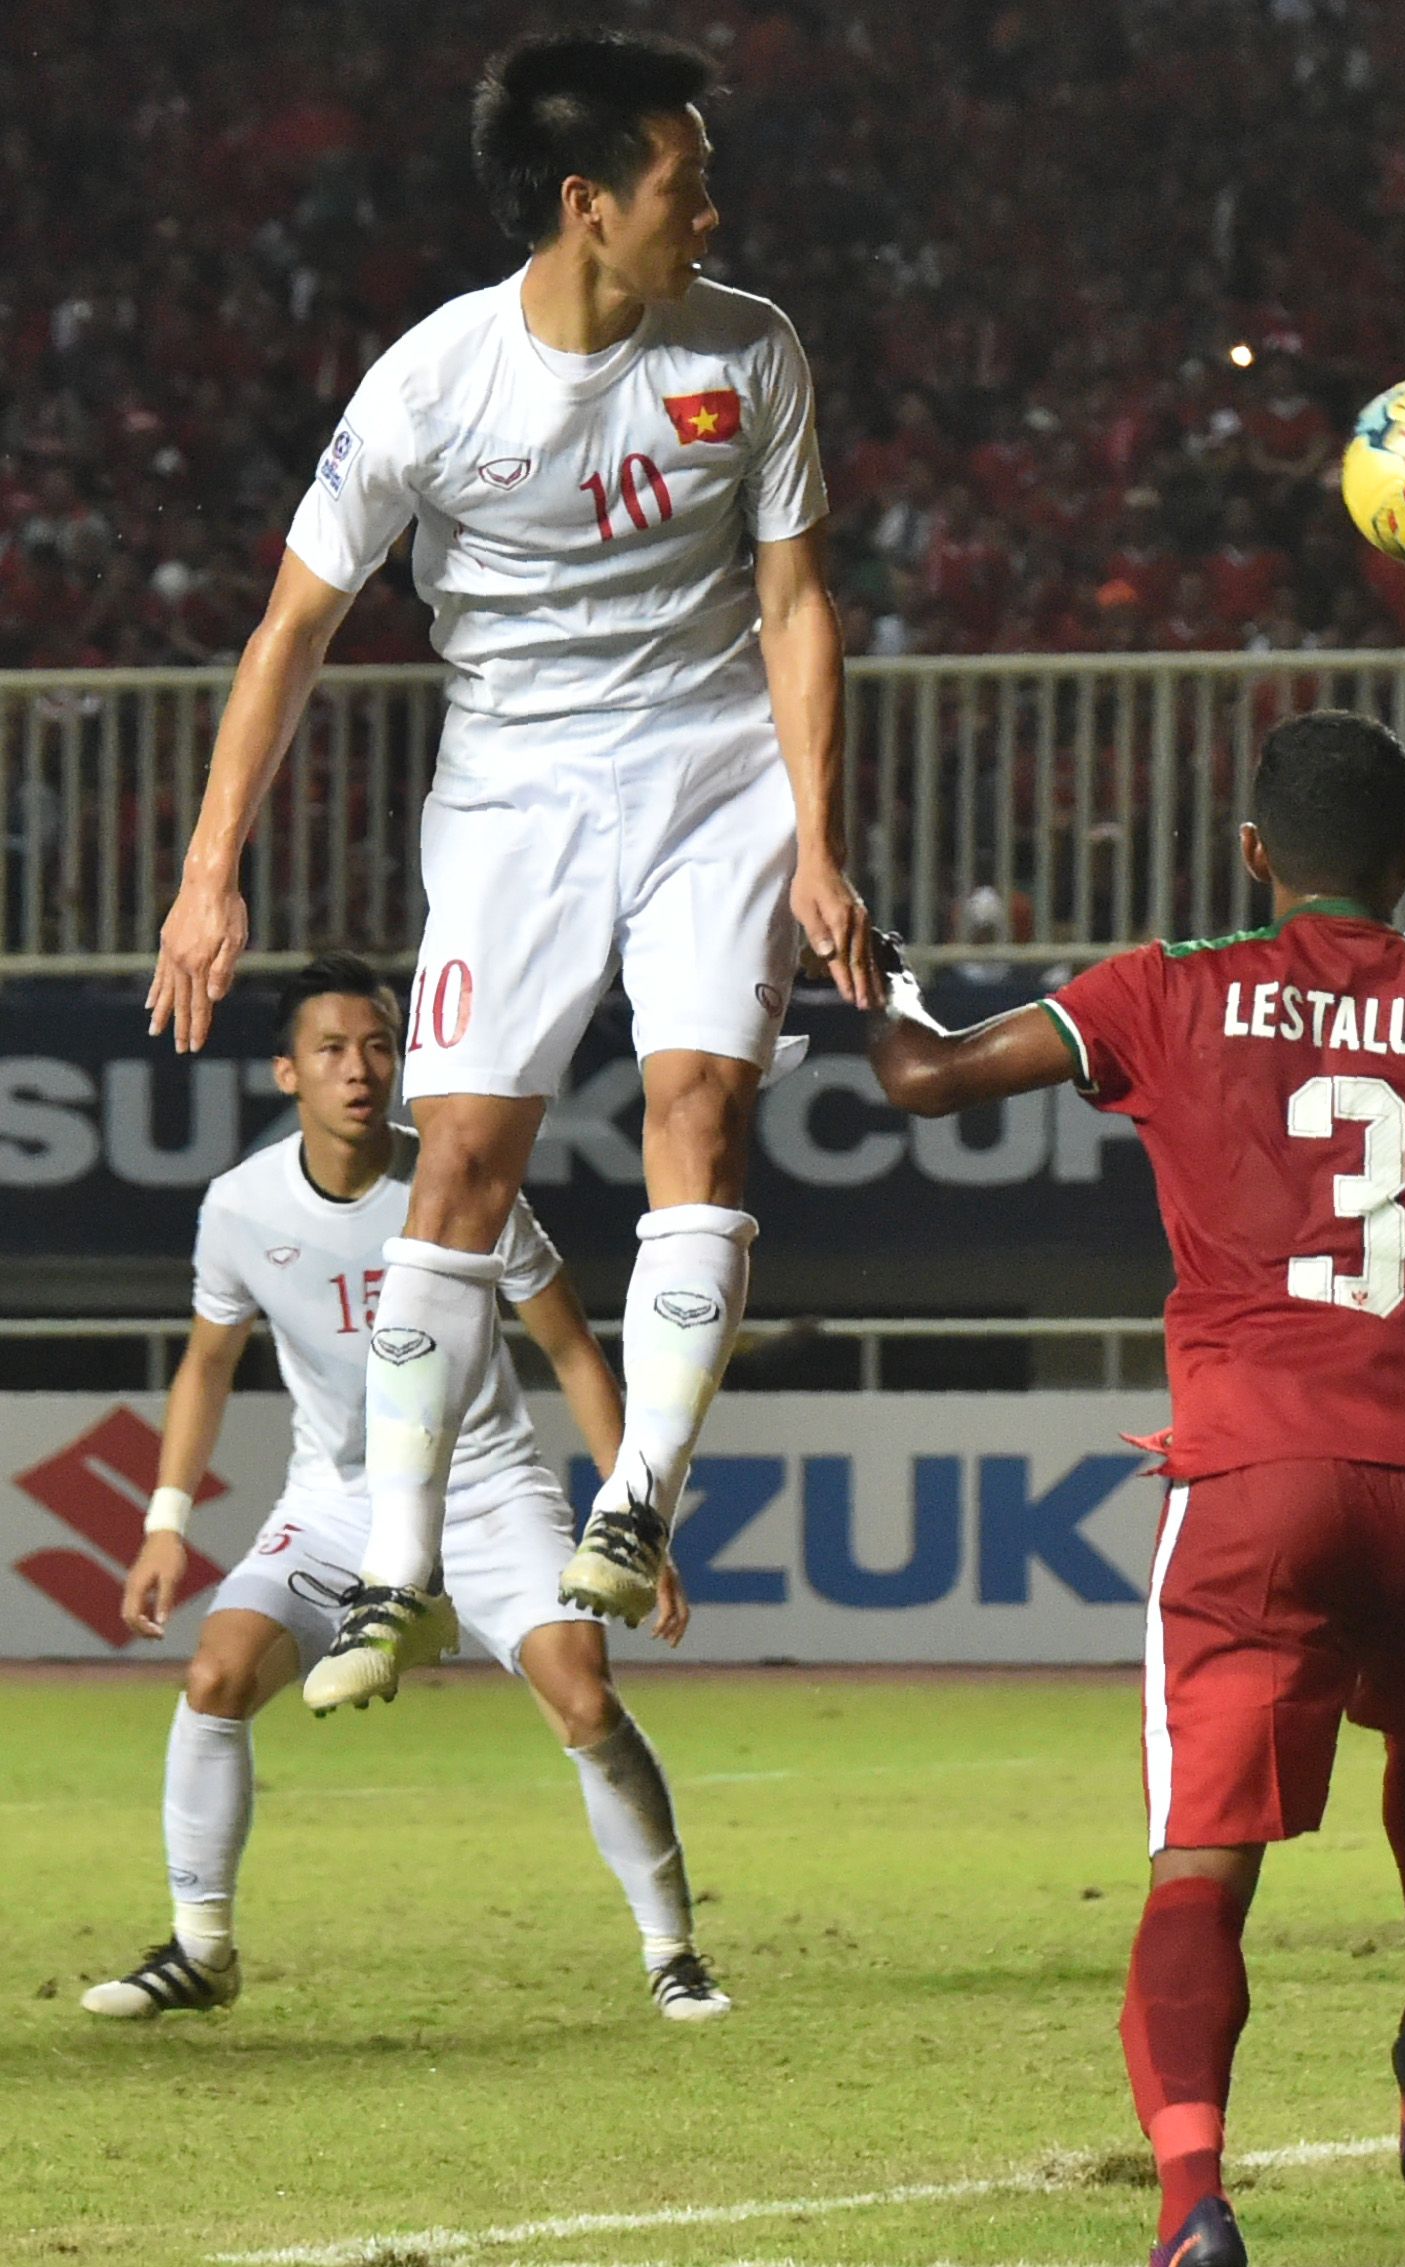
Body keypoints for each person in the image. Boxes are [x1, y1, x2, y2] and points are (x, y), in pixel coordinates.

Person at [142, 32, 878, 1717]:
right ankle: (395, 1571)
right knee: (461, 1154)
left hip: (711, 769)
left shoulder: (750, 350)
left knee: (700, 1109)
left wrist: (820, 841)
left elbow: (794, 603)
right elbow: (293, 627)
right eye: (685, 181)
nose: (714, 207)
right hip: (513, 792)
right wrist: (208, 870)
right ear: (586, 202)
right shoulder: (430, 385)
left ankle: (632, 1508)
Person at [865, 711, 1405, 2267]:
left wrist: (880, 973)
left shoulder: (1164, 989)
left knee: (1200, 1870)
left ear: (1252, 854)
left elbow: (923, 1080)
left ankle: (1193, 2199)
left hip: (1253, 1472)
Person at [83, 956, 722, 2024]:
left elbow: (570, 1351)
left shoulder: (466, 1184)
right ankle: (202, 1949)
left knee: (585, 1697)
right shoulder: (241, 1207)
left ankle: (674, 1950)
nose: (360, 1069)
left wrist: (634, 1515)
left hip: (487, 1494)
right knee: (215, 1677)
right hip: (339, 1506)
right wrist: (164, 1522)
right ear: (288, 1073)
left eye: (380, 1045)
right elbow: (205, 1364)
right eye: (332, 1049)